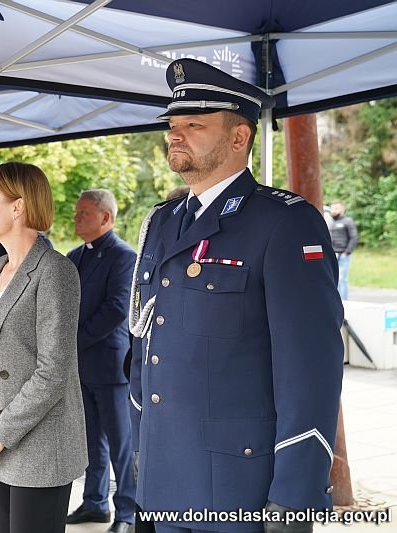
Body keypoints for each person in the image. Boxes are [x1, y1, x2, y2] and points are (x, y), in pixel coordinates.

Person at [129, 58, 344, 533]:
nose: (175, 135)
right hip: (165, 480)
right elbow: (144, 348)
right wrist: (141, 455)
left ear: (239, 137)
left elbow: (310, 370)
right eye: (174, 125)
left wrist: (297, 498)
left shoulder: (283, 222)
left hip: (238, 487)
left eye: (194, 125)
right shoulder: (162, 223)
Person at [0, 162, 87, 533]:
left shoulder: (55, 271)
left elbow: (52, 372)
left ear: (17, 208)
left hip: (38, 448)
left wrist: (0, 434)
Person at [66, 189, 137, 533]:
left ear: (105, 217)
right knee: (91, 439)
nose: (76, 218)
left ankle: (127, 512)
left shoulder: (123, 257)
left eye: (83, 213)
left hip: (109, 364)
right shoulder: (75, 256)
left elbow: (116, 309)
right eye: (76, 212)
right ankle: (94, 503)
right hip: (80, 365)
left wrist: (71, 341)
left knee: (121, 443)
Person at [328, 199, 358, 300]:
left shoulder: (347, 221)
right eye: (332, 208)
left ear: (342, 209)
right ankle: (336, 301)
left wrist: (347, 252)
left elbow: (354, 237)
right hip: (333, 254)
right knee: (333, 279)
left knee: (342, 279)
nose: (334, 210)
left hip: (343, 254)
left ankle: (344, 301)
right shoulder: (330, 223)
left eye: (336, 208)